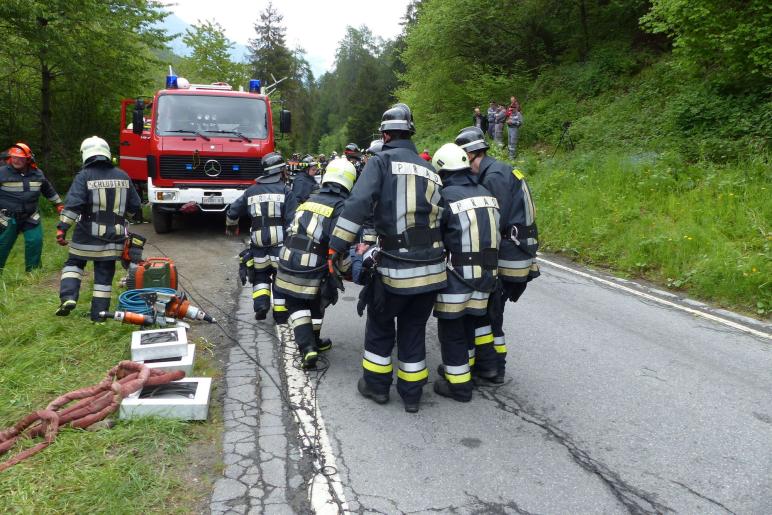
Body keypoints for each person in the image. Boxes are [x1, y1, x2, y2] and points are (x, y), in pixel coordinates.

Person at [329, 103, 447, 413]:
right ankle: (412, 394)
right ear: (410, 133)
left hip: (395, 268)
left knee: (381, 326)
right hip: (432, 270)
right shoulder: (432, 171)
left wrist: (335, 246)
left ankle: (377, 386)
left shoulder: (381, 162)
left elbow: (357, 204)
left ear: (385, 135)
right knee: (413, 329)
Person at [455, 126, 539, 383]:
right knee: (488, 311)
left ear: (470, 155)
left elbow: (491, 222)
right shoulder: (500, 170)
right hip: (517, 250)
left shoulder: (492, 178)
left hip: (508, 254)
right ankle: (487, 366)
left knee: (488, 312)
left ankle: (493, 368)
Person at [431, 143, 500, 402]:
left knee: (451, 330)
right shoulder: (486, 192)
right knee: (470, 323)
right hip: (487, 275)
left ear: (442, 171)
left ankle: (459, 387)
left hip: (457, 275)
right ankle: (463, 370)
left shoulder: (445, 197)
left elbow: (436, 235)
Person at [274, 158, 356, 368]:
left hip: (287, 257)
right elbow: (340, 243)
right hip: (313, 261)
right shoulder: (341, 207)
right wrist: (349, 269)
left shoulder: (310, 199)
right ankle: (311, 344)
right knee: (316, 299)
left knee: (295, 302)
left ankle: (309, 346)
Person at [56, 136, 141, 320]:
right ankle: (99, 317)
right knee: (104, 277)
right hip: (114, 237)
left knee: (74, 263)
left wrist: (62, 229)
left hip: (86, 235)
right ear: (107, 153)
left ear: (85, 154)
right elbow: (135, 206)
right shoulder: (123, 175)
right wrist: (122, 218)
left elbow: (73, 205)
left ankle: (68, 297)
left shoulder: (84, 176)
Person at [226, 152, 297, 322]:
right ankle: (280, 314)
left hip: (258, 244)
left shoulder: (251, 191)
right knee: (280, 278)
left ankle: (261, 305)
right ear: (279, 171)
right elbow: (293, 221)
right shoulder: (286, 191)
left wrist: (231, 226)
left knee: (260, 276)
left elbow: (233, 211)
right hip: (279, 244)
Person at [0, 143, 63, 272]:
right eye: (14, 157)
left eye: (20, 158)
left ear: (28, 159)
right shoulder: (2, 172)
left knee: (35, 241)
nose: (16, 160)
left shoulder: (37, 173)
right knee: (3, 245)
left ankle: (33, 274)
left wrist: (58, 204)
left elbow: (48, 190)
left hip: (31, 216)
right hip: (7, 217)